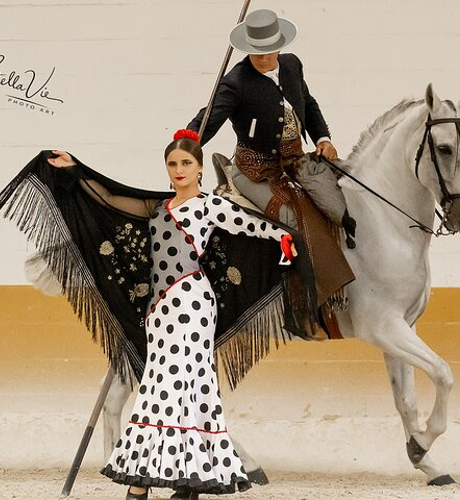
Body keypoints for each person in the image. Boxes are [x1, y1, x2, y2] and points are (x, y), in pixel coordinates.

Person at [45, 130, 299, 500]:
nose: (179, 170)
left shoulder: (210, 206)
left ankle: (140, 482)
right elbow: (113, 197)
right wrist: (76, 170)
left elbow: (253, 225)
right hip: (159, 312)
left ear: (199, 169)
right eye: (173, 164)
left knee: (168, 388)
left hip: (192, 304)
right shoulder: (159, 208)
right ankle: (187, 482)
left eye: (186, 163)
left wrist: (283, 238)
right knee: (178, 388)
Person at [187, 9, 355, 338]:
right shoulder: (235, 82)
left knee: (339, 208)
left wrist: (323, 138)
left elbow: (308, 102)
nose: (264, 58)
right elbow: (210, 116)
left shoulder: (292, 65)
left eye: (269, 51)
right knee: (291, 221)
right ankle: (300, 311)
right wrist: (187, 142)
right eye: (257, 52)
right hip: (254, 169)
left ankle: (343, 292)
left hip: (295, 161)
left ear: (280, 45)